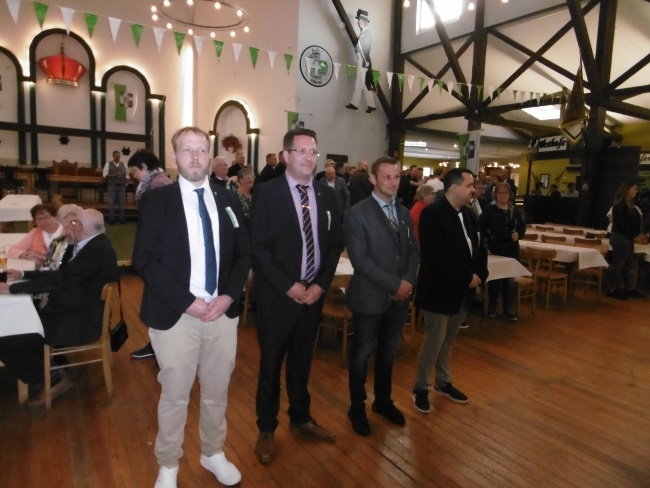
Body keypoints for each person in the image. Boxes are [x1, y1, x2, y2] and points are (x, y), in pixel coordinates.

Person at [132, 126, 250, 488]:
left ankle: (212, 452)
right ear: (175, 156)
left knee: (217, 391)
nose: (195, 157)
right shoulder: (157, 201)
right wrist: (187, 302)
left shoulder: (228, 199)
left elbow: (243, 253)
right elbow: (144, 260)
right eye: (187, 150)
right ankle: (168, 464)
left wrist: (228, 296)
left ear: (211, 155)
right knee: (175, 394)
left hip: (221, 313)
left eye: (201, 150)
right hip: (176, 313)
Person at [250, 128, 344, 465]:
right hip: (278, 296)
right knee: (271, 364)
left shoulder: (326, 194)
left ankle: (301, 418)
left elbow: (334, 245)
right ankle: (266, 428)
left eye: (313, 152)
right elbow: (257, 247)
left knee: (303, 362)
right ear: (286, 155)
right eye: (301, 151)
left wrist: (320, 285)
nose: (308, 157)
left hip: (312, 295)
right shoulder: (266, 192)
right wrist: (288, 285)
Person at [0, 208, 119, 408]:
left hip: (79, 321)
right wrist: (24, 275)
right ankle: (47, 368)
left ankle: (53, 378)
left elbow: (61, 280)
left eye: (74, 222)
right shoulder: (89, 245)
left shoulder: (97, 251)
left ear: (81, 226)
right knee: (16, 323)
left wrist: (12, 288)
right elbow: (60, 275)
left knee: (8, 335)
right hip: (72, 310)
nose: (70, 225)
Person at [345, 157, 419, 436]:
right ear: (373, 179)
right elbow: (360, 259)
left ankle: (383, 401)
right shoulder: (357, 213)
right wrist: (395, 284)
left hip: (399, 298)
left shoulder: (404, 212)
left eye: (397, 176)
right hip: (370, 297)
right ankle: (357, 407)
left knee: (388, 352)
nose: (393, 182)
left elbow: (413, 251)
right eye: (386, 177)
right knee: (362, 355)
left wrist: (407, 282)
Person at [412, 168, 488, 414]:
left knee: (448, 340)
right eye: (469, 185)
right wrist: (467, 278)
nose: (473, 189)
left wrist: (480, 274)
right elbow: (437, 255)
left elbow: (479, 247)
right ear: (454, 188)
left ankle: (443, 382)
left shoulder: (469, 214)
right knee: (434, 341)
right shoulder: (432, 215)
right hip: (439, 289)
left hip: (463, 290)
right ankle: (421, 388)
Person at [127, 149, 173, 361]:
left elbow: (163, 224)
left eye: (135, 171)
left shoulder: (158, 184)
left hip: (160, 253)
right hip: (158, 250)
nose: (134, 176)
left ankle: (159, 345)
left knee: (158, 300)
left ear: (144, 167)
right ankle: (158, 344)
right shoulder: (155, 182)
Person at [479, 182, 525, 321]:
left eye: (505, 193)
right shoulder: (490, 209)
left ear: (509, 195)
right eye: (500, 193)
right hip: (495, 248)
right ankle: (492, 307)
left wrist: (519, 234)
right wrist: (486, 245)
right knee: (495, 280)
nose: (503, 196)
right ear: (496, 194)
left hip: (511, 249)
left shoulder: (515, 210)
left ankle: (508, 308)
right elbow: (481, 228)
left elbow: (522, 227)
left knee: (509, 281)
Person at [605, 182, 645, 300]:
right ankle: (612, 289)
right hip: (620, 238)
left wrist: (636, 234)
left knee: (628, 264)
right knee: (619, 264)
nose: (636, 191)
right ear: (627, 190)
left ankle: (629, 288)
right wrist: (634, 235)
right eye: (634, 189)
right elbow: (621, 224)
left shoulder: (632, 206)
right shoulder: (619, 206)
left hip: (628, 238)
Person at [345, 9, 375, 113]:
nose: (358, 22)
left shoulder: (367, 33)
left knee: (360, 83)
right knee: (364, 84)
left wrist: (365, 60)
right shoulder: (363, 33)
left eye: (359, 20)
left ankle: (355, 103)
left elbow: (366, 48)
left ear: (364, 21)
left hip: (363, 60)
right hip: (361, 60)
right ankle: (371, 104)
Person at [102, 150, 128, 224]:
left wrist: (126, 182)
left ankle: (121, 219)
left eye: (118, 155)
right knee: (111, 202)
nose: (117, 157)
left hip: (121, 186)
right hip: (112, 186)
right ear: (113, 156)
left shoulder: (124, 164)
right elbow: (104, 175)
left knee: (121, 203)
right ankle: (111, 219)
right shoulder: (108, 164)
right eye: (116, 155)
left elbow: (127, 175)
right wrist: (114, 175)